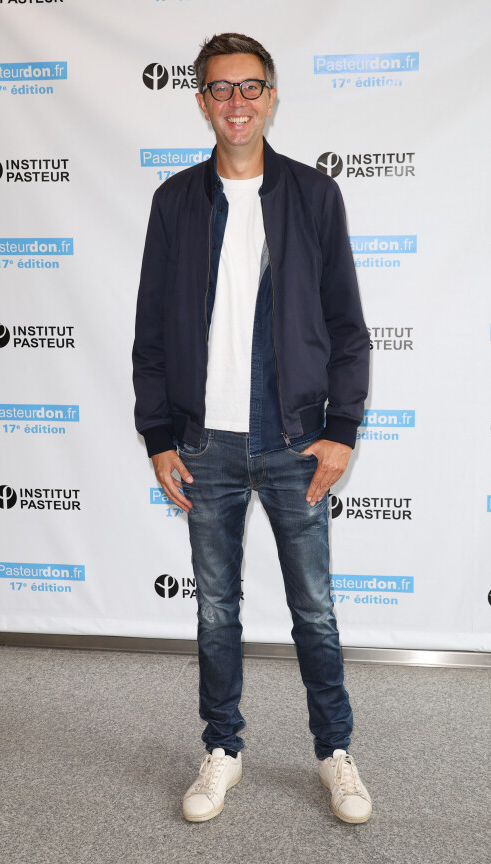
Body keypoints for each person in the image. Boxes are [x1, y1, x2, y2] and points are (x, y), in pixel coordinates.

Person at [133, 32, 371, 825]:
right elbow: (153, 337)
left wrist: (343, 428)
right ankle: (223, 749)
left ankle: (334, 752)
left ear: (272, 97)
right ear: (201, 100)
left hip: (296, 440)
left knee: (315, 610)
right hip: (205, 446)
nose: (237, 102)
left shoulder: (312, 196)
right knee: (215, 610)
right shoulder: (175, 202)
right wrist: (159, 437)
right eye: (220, 88)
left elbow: (347, 326)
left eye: (251, 87)